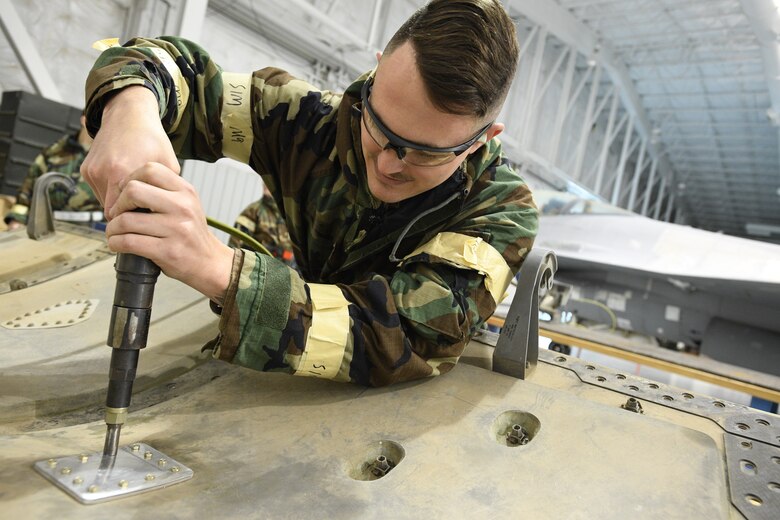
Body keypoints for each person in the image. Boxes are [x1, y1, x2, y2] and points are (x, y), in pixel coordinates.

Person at [81, 0, 538, 386]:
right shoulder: (309, 119)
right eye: (379, 127)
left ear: (480, 139)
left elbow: (408, 338)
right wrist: (131, 108)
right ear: (376, 75)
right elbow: (170, 70)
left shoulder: (499, 211)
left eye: (425, 154)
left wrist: (220, 269)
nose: (387, 164)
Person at [4, 114, 101, 230]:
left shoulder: (111, 157)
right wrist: (17, 218)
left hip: (93, 230)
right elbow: (28, 188)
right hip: (51, 226)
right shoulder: (54, 152)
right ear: (84, 119)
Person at [229, 185, 298, 270]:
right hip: (258, 272)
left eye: (269, 180)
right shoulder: (253, 210)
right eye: (264, 180)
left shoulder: (291, 215)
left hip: (286, 272)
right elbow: (235, 243)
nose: (265, 184)